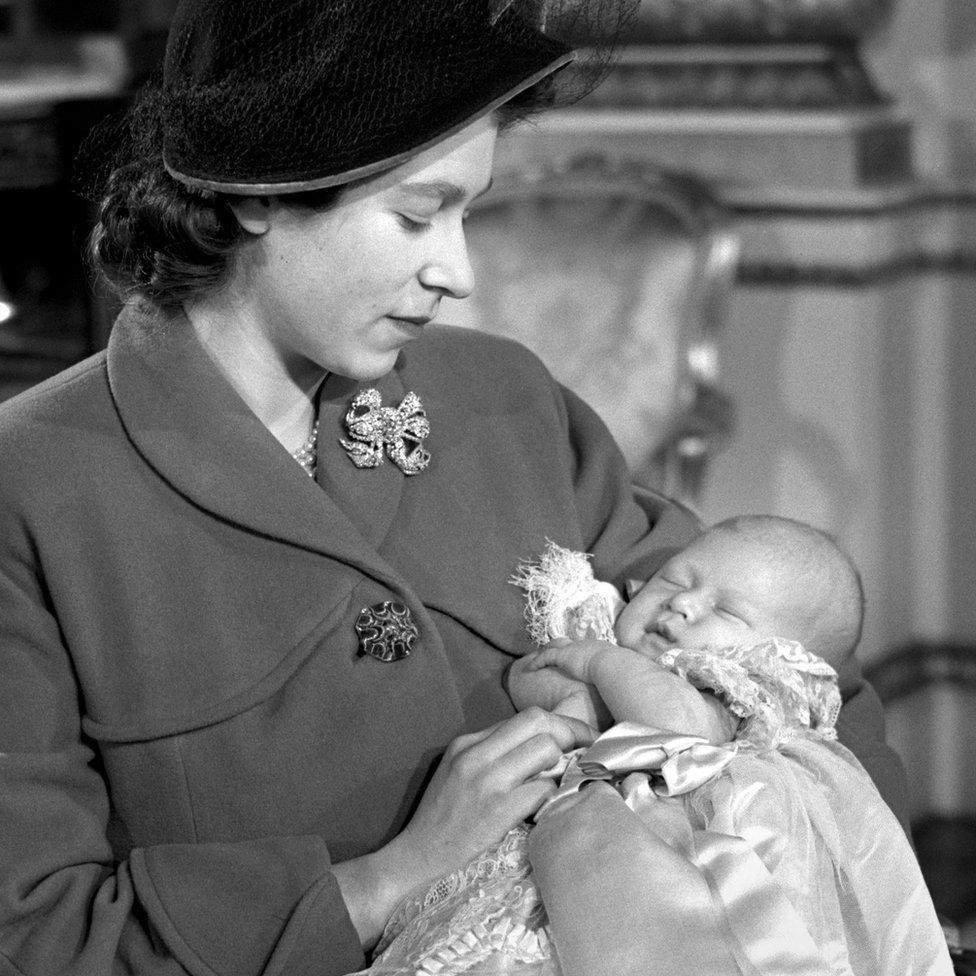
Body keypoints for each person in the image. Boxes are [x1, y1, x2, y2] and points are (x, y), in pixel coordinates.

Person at [0, 2, 907, 974]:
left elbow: (809, 678)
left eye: (467, 211)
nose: (458, 271)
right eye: (417, 214)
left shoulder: (510, 400)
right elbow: (39, 935)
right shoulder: (35, 491)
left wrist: (736, 804)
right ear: (257, 189)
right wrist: (388, 879)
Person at [364, 517, 952, 975]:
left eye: (727, 609)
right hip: (566, 854)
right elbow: (527, 677)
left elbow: (676, 725)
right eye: (676, 579)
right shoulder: (619, 639)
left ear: (784, 651)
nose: (683, 603)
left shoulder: (743, 685)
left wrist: (597, 664)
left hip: (681, 876)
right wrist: (586, 677)